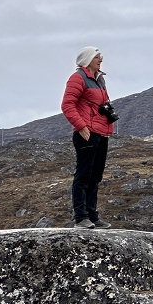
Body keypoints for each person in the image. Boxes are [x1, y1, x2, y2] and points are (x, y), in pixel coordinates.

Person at [61, 47, 116, 229]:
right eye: (97, 57)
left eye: (101, 56)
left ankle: (92, 216)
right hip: (87, 133)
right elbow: (67, 104)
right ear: (88, 59)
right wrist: (81, 126)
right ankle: (81, 217)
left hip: (101, 133)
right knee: (84, 175)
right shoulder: (78, 78)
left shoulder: (99, 80)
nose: (101, 60)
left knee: (95, 176)